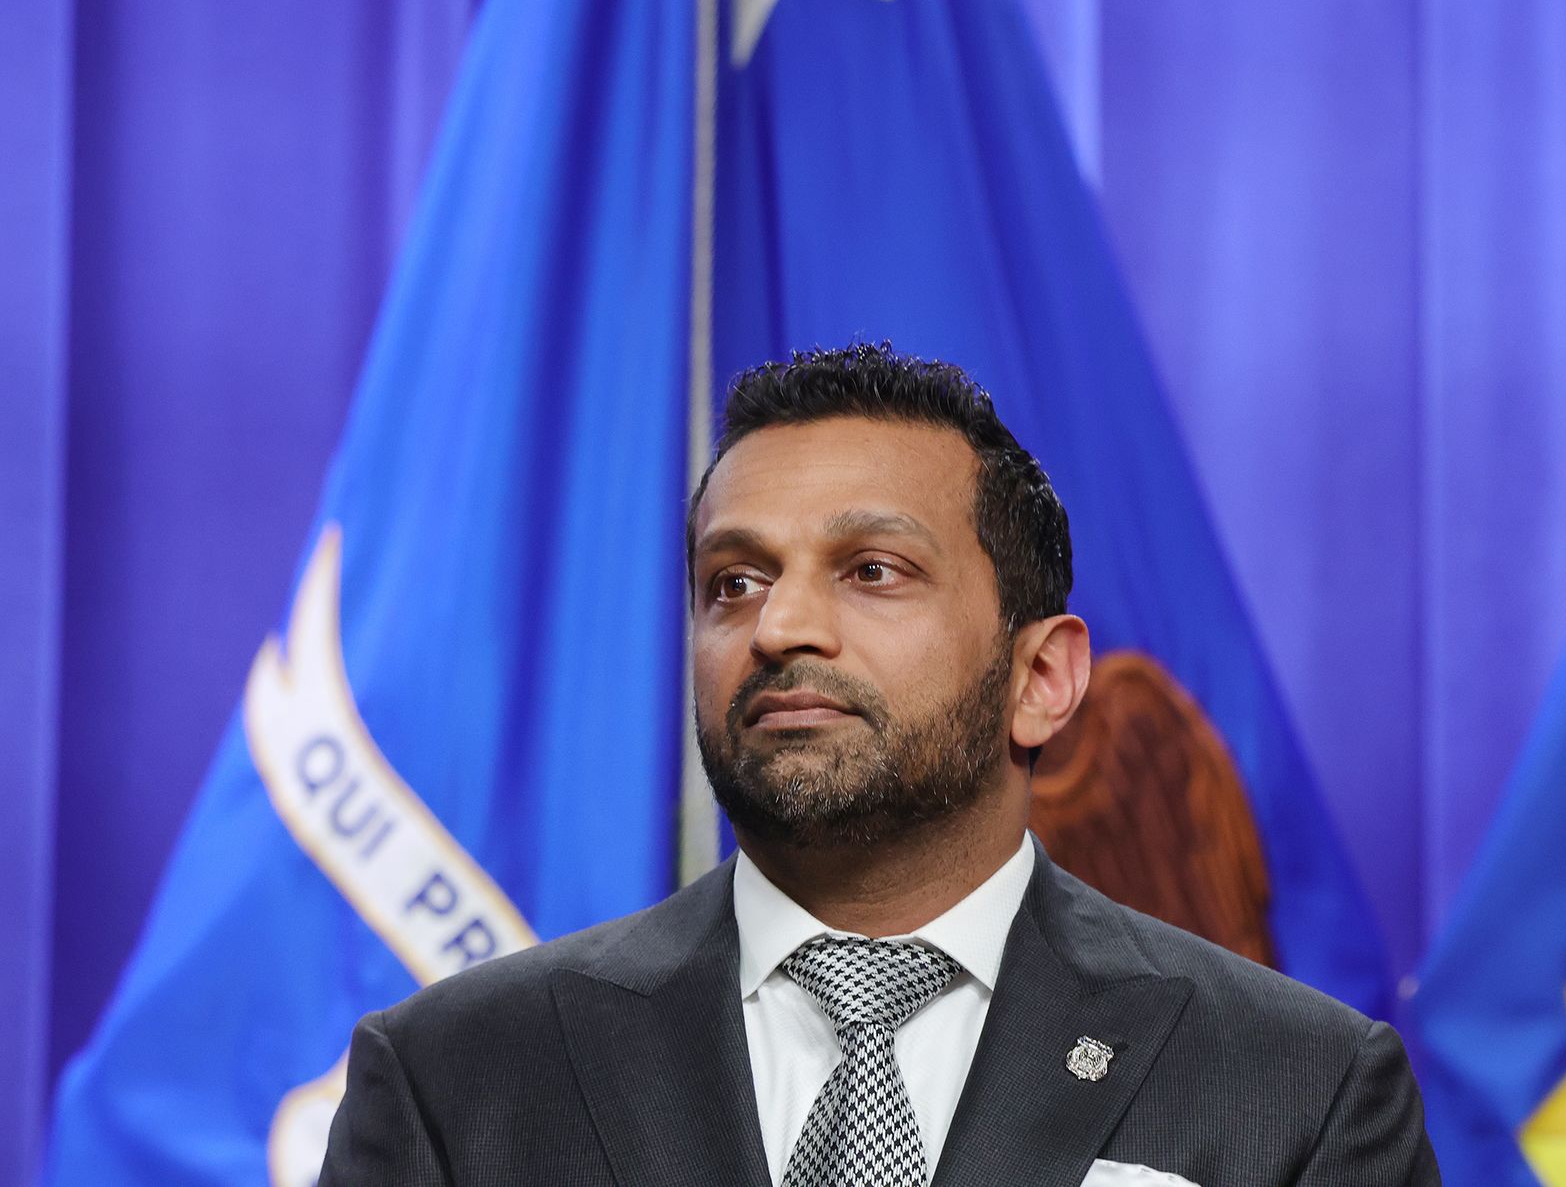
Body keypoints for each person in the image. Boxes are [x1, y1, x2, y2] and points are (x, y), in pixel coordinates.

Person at [321, 343, 1439, 1186]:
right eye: (734, 581)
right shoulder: (455, 1080)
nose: (778, 628)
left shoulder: (1298, 1089)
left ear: (1040, 679)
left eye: (871, 570)